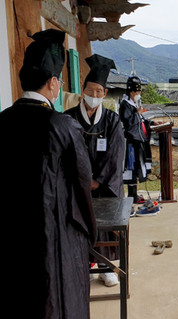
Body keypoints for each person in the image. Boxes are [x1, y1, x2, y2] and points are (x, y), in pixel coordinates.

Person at [0, 29, 96, 319]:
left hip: (11, 236)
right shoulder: (61, 125)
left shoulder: (2, 121)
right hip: (53, 235)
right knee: (56, 303)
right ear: (53, 83)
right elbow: (83, 183)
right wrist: (89, 232)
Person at [65, 54, 124, 287]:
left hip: (103, 185)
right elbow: (65, 154)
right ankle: (80, 266)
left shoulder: (112, 121)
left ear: (105, 94)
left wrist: (97, 181)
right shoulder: (68, 119)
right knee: (77, 225)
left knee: (104, 227)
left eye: (99, 91)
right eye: (91, 90)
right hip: (76, 185)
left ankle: (106, 266)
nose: (95, 96)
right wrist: (80, 180)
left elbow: (116, 157)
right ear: (83, 91)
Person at [120, 75, 153, 205]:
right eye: (137, 92)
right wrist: (137, 114)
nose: (138, 94)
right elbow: (128, 123)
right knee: (131, 168)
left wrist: (151, 123)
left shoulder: (133, 104)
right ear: (132, 92)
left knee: (136, 167)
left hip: (137, 141)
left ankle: (134, 194)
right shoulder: (125, 104)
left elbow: (140, 121)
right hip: (130, 142)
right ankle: (132, 195)